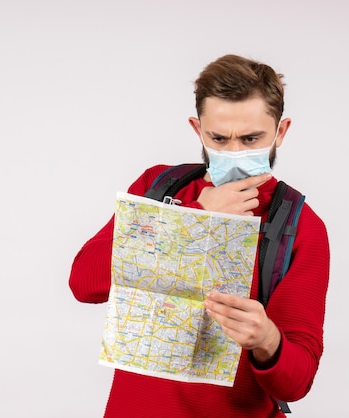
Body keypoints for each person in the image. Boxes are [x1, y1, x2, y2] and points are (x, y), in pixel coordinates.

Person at [69, 54, 330, 418]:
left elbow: (296, 384)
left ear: (280, 132)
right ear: (198, 130)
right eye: (218, 138)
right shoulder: (158, 188)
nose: (234, 153)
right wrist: (194, 216)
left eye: (252, 138)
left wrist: (267, 339)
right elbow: (84, 283)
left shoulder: (298, 225)